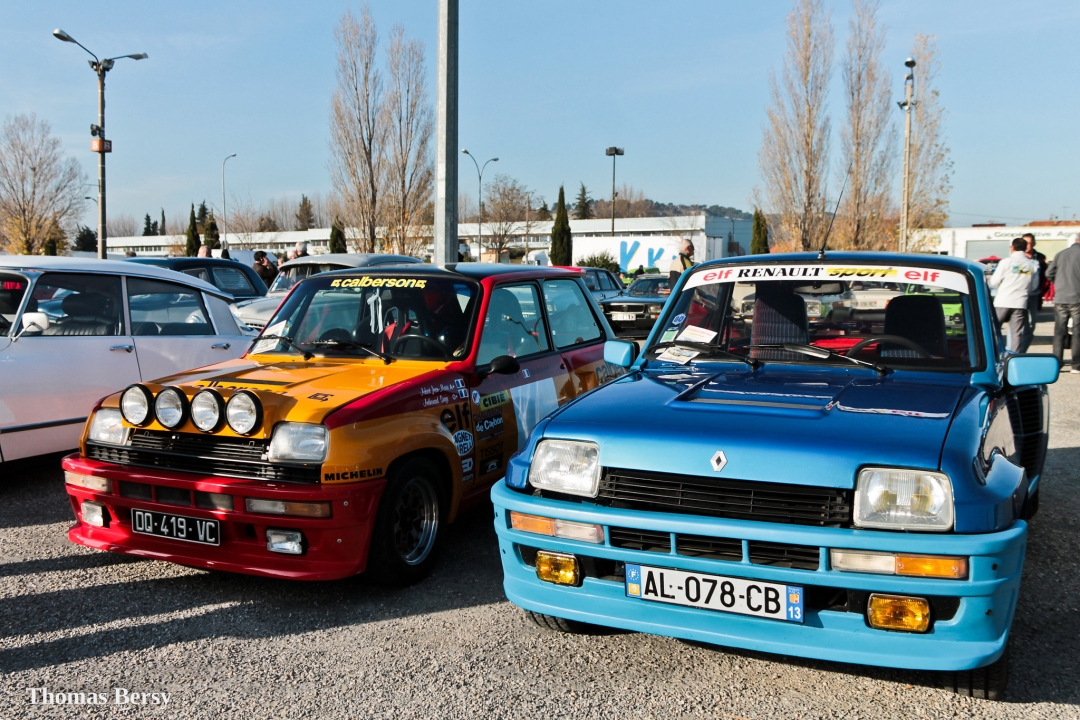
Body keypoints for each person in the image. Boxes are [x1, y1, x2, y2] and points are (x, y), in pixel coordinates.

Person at [989, 237, 1039, 352]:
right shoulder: (1032, 264)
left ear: (1012, 248)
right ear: (1026, 248)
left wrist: (1002, 288)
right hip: (1020, 302)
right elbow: (1034, 286)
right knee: (1016, 333)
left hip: (1003, 300)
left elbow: (994, 281)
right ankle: (1014, 357)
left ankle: (991, 353)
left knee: (993, 329)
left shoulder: (1006, 262)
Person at [1047, 232, 1080, 373]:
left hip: (1061, 297)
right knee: (1077, 332)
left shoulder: (1060, 254)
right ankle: (1076, 365)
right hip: (1077, 298)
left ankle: (1057, 363)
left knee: (1059, 331)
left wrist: (1059, 283)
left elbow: (1049, 273)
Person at [1022, 233, 1048, 349]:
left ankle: (1022, 351)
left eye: (1028, 243)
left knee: (1031, 325)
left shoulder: (1040, 258)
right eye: (1024, 243)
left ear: (1034, 244)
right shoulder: (1016, 258)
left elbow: (1045, 276)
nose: (1026, 246)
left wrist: (1041, 291)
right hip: (1018, 295)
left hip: (1033, 295)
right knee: (1016, 327)